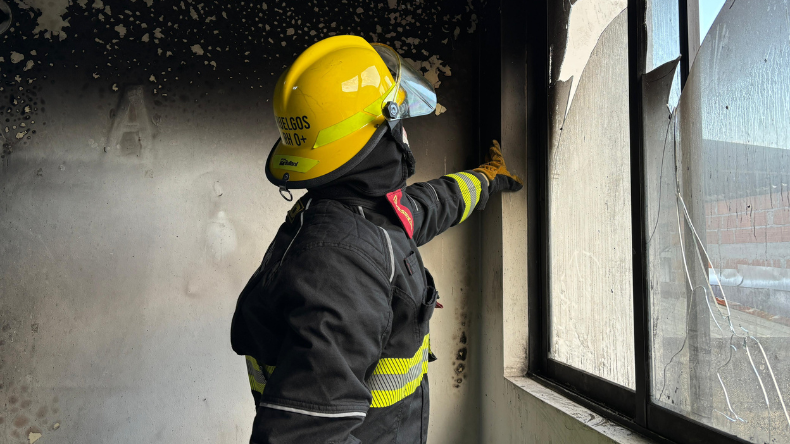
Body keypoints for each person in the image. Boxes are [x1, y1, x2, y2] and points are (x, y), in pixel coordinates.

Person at [230, 35, 523, 444]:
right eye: (397, 119)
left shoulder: (353, 215)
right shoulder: (342, 262)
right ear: (378, 135)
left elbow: (427, 206)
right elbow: (304, 437)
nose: (403, 131)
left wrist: (485, 179)